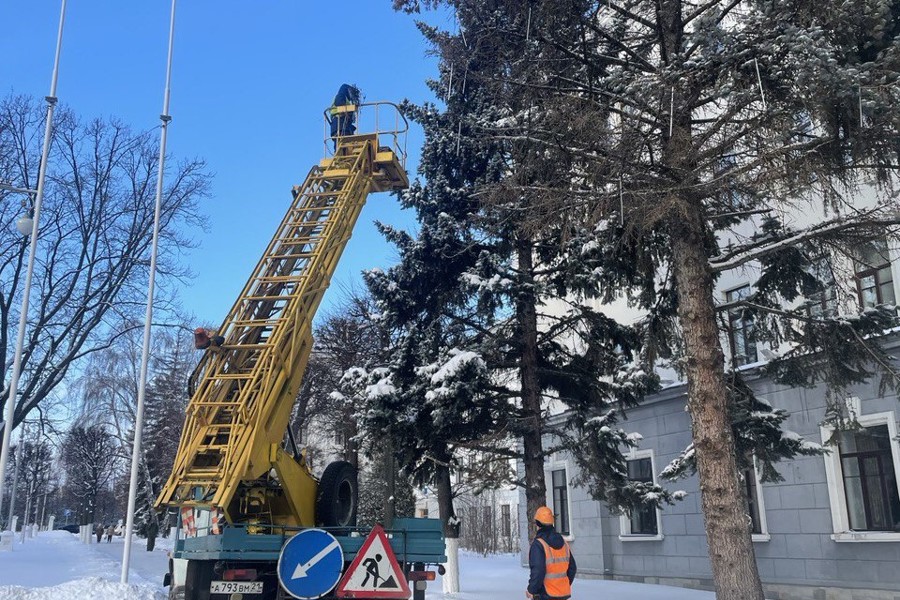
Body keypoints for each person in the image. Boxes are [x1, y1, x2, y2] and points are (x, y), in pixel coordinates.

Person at [527, 506, 576, 600]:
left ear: (537, 523)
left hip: (545, 594)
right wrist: (563, 585)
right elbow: (572, 568)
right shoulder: (564, 543)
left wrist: (531, 590)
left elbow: (538, 571)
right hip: (562, 594)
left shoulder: (539, 544)